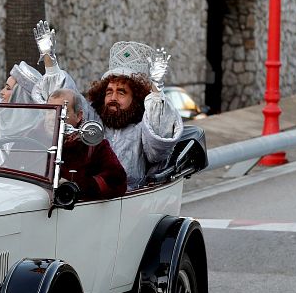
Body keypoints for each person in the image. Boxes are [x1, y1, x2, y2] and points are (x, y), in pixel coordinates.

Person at [31, 20, 182, 189]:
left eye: (121, 92)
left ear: (137, 97)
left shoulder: (144, 125)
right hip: (90, 195)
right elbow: (66, 99)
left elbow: (158, 150)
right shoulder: (94, 118)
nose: (113, 98)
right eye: (109, 92)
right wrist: (49, 61)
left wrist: (156, 89)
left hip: (130, 200)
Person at [48, 88, 127, 200]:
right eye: (49, 111)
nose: (52, 117)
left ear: (78, 116)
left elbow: (117, 180)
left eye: (61, 112)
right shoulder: (30, 137)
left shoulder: (94, 145)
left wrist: (76, 187)